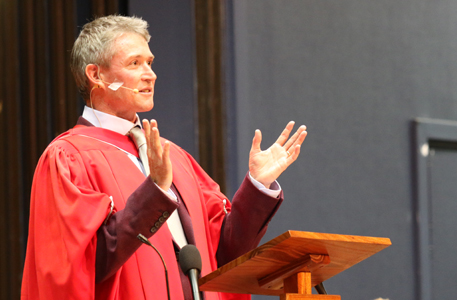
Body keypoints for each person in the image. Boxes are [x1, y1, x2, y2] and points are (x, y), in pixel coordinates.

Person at [21, 15, 307, 300]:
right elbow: (81, 267)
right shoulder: (69, 158)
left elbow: (224, 254)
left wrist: (257, 186)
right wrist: (154, 191)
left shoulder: (174, 158)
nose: (150, 74)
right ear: (96, 75)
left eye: (150, 62)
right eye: (135, 63)